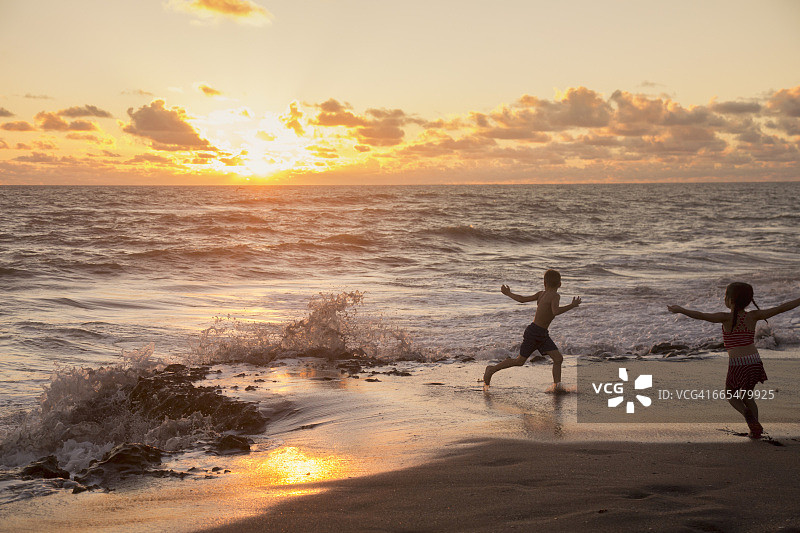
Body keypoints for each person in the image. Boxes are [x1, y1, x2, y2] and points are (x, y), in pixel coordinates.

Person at [668, 283, 800, 439]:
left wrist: (681, 309)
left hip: (737, 363)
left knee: (730, 394)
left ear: (730, 300)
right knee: (747, 395)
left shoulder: (725, 318)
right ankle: (755, 428)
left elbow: (701, 315)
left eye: (725, 297)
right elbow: (780, 308)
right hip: (754, 361)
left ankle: (746, 413)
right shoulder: (753, 316)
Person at [484, 269, 581, 392]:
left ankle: (557, 386)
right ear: (560, 284)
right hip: (535, 333)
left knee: (558, 359)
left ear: (544, 283)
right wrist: (572, 305)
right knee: (519, 361)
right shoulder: (555, 296)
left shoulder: (541, 294)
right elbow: (555, 311)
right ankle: (491, 369)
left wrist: (508, 293)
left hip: (540, 333)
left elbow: (522, 299)